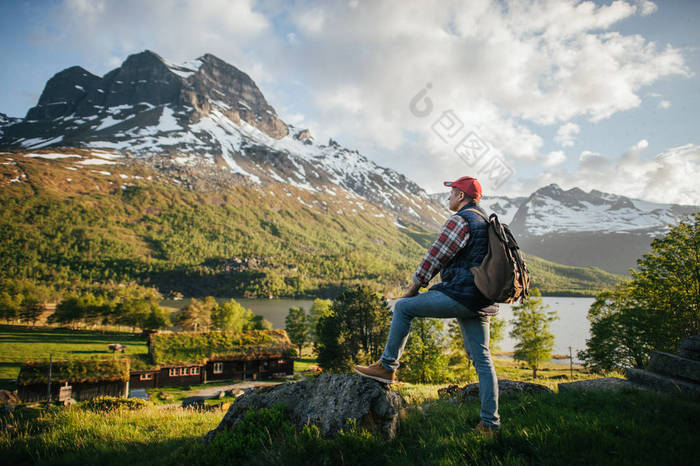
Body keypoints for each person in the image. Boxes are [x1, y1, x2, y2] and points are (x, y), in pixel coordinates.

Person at [354, 175, 500, 433]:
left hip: (461, 294)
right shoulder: (486, 221)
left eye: (452, 191)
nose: (448, 196)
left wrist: (412, 289)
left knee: (403, 308)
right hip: (481, 298)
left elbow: (435, 256)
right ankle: (490, 424)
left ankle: (387, 367)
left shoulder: (461, 220)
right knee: (483, 359)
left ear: (461, 196)